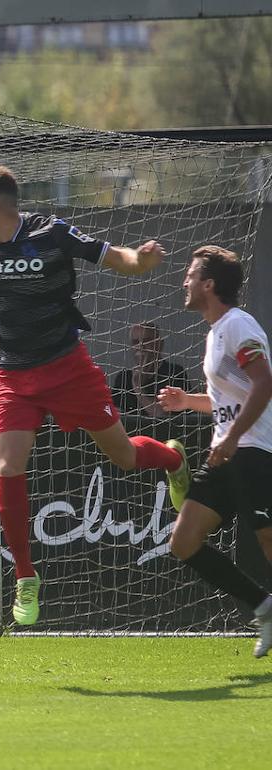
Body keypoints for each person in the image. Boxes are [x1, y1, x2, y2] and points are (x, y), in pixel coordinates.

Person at [0, 164, 189, 626]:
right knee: (8, 463)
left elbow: (113, 257)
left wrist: (140, 261)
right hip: (16, 377)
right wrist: (1, 335)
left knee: (123, 456)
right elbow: (9, 295)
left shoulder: (51, 233)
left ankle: (172, 459)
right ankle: (26, 576)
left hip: (68, 370)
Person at [157, 246, 272, 658]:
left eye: (190, 276)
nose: (183, 283)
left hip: (254, 450)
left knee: (267, 540)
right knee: (183, 542)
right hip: (225, 453)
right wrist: (187, 401)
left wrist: (231, 437)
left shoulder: (239, 325)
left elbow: (264, 383)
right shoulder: (214, 332)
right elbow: (230, 397)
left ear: (209, 284)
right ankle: (263, 605)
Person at [111, 323, 189, 419]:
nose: (140, 346)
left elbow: (164, 418)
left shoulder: (174, 373)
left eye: (146, 341)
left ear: (159, 344)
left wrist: (138, 387)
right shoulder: (124, 377)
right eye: (136, 342)